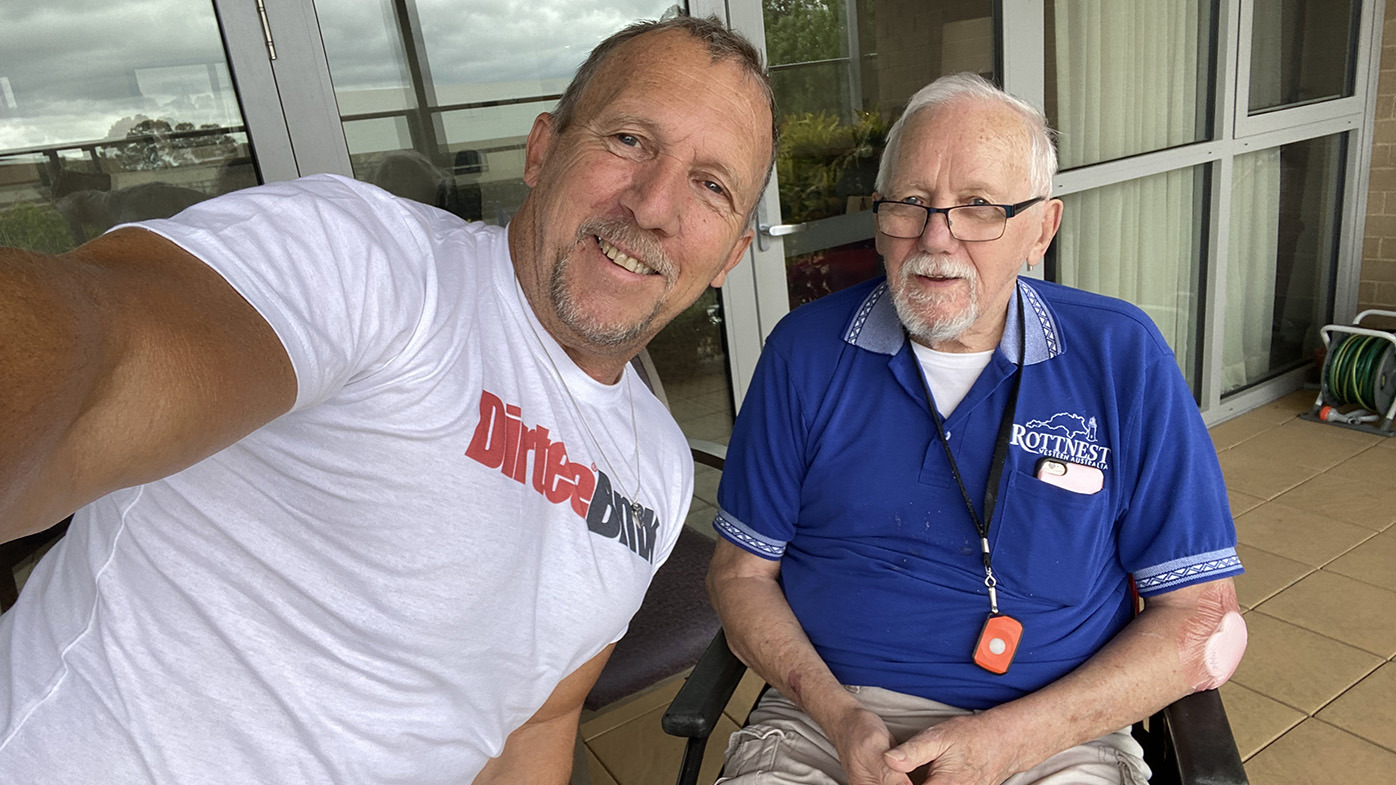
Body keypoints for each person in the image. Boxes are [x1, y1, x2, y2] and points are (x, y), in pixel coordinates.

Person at [0, 15, 775, 785]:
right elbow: (103, 364)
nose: (651, 204)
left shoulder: (664, 472)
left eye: (711, 185)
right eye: (630, 140)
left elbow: (535, 719)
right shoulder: (369, 263)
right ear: (543, 149)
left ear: (731, 256)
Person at [707, 73, 1246, 785]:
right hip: (825, 723)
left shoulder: (1120, 356)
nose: (937, 237)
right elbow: (740, 573)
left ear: (1041, 230)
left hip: (1055, 731)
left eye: (980, 206)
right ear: (879, 217)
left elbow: (1199, 613)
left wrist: (1016, 738)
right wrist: (839, 718)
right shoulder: (803, 353)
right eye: (911, 202)